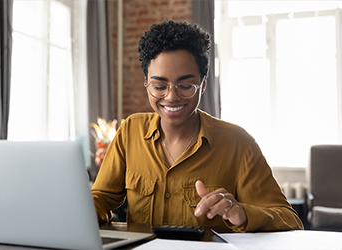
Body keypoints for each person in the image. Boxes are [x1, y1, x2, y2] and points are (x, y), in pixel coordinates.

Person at [91, 20, 303, 232]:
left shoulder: (238, 144)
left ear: (203, 84)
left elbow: (290, 220)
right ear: (146, 83)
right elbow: (101, 198)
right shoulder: (130, 131)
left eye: (185, 86)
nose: (171, 97)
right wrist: (83, 208)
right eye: (159, 86)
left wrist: (242, 213)